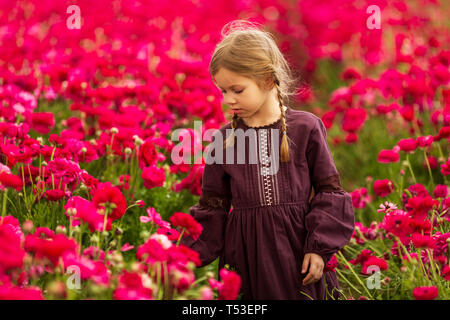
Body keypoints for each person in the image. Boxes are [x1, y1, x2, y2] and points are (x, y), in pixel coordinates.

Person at [179, 20, 355, 300]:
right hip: (247, 260)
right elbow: (213, 208)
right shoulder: (223, 141)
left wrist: (318, 248)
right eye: (223, 91)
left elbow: (329, 191)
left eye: (237, 90)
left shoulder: (306, 128)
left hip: (299, 256)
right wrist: (180, 257)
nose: (228, 100)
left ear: (267, 80)